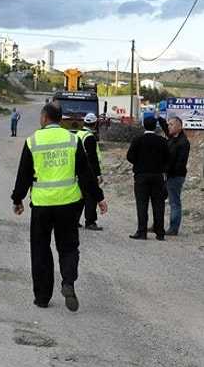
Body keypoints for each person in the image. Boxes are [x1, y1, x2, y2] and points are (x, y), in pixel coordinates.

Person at [11, 103, 107, 312]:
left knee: (41, 250)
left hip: (42, 205)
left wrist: (17, 200)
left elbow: (24, 175)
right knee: (68, 247)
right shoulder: (72, 140)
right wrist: (98, 198)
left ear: (45, 118)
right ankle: (68, 283)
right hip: (69, 204)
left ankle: (43, 297)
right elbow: (86, 174)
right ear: (60, 119)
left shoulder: (33, 141)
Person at [126, 116, 170, 240]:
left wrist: (139, 162)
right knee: (158, 204)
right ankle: (160, 233)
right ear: (155, 126)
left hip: (141, 175)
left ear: (144, 125)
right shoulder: (161, 141)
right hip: (157, 175)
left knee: (142, 204)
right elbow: (168, 157)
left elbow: (129, 156)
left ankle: (142, 232)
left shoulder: (138, 140)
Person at [76, 112, 104, 230]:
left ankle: (74, 220)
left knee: (79, 197)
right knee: (91, 196)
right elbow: (93, 158)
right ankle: (90, 221)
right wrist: (97, 174)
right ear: (94, 124)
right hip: (88, 172)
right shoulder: (89, 137)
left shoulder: (77, 134)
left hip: (78, 171)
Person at [164, 116, 189, 236]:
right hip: (167, 174)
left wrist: (169, 172)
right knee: (159, 200)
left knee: (174, 202)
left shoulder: (183, 142)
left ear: (179, 126)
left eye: (172, 124)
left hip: (175, 176)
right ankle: (157, 224)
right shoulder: (172, 138)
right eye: (169, 124)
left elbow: (180, 162)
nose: (169, 126)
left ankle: (174, 228)